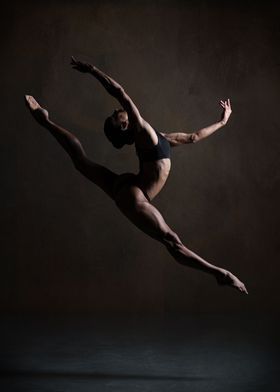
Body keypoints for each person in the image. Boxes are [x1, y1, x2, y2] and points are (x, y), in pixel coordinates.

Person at [24, 56, 248, 294]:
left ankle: (45, 121)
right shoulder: (141, 129)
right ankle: (221, 274)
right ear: (123, 126)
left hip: (130, 185)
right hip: (135, 195)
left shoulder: (158, 136)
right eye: (115, 116)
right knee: (172, 242)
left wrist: (222, 122)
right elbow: (119, 92)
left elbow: (194, 137)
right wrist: (92, 71)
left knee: (81, 161)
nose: (116, 111)